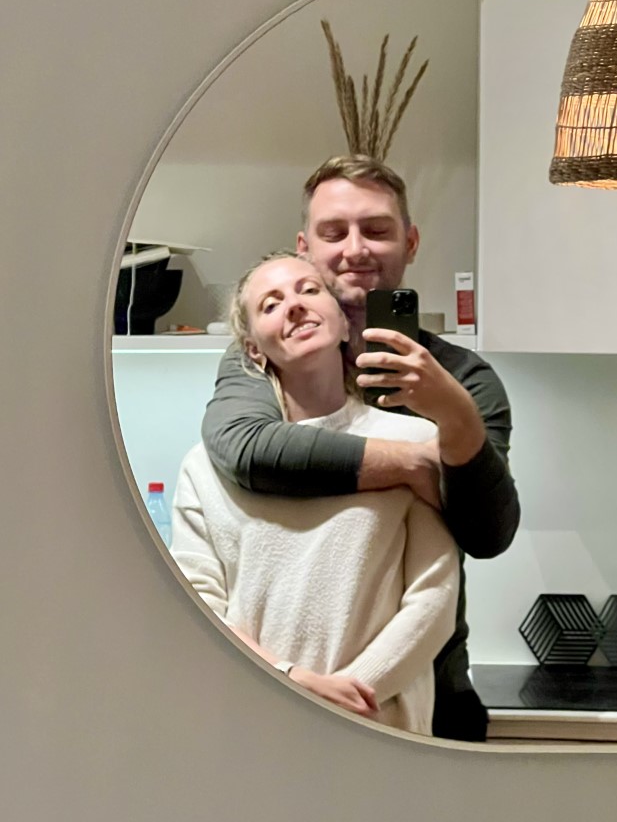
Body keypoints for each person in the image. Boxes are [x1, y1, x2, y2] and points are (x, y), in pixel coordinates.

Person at [202, 155, 521, 741]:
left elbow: (487, 533)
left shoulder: (462, 379)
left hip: (430, 693)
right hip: (277, 696)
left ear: (410, 242)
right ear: (304, 248)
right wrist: (414, 463)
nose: (355, 249)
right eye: (334, 232)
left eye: (376, 229)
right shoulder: (263, 363)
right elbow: (244, 449)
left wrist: (453, 413)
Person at [172, 253, 459, 736]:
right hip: (254, 727)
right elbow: (196, 608)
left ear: (345, 325)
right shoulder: (205, 469)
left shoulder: (413, 443)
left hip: (379, 728)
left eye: (309, 290)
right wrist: (288, 682)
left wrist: (353, 692)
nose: (294, 306)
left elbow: (434, 597)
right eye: (270, 304)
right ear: (253, 350)